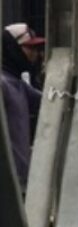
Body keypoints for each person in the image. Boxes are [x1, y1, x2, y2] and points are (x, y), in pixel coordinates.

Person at [2, 23, 44, 190]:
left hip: (19, 182)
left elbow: (49, 103)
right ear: (12, 49)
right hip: (7, 186)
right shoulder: (3, 84)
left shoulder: (18, 84)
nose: (35, 55)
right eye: (29, 48)